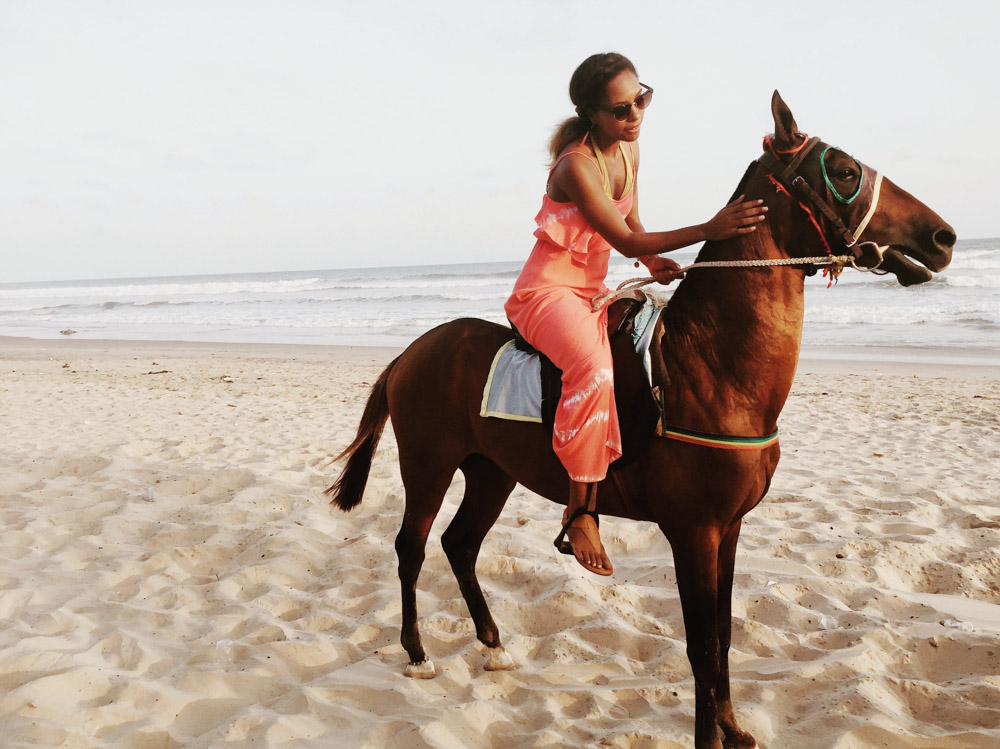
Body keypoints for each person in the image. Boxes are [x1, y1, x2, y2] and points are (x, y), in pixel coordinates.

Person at [504, 52, 767, 576]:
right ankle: (580, 512)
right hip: (547, 294)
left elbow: (635, 225)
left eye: (640, 99)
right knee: (594, 370)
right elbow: (621, 236)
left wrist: (653, 261)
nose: (635, 115)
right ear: (592, 114)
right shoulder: (575, 166)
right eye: (621, 109)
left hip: (592, 288)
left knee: (661, 341)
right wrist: (708, 229)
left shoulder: (629, 149)